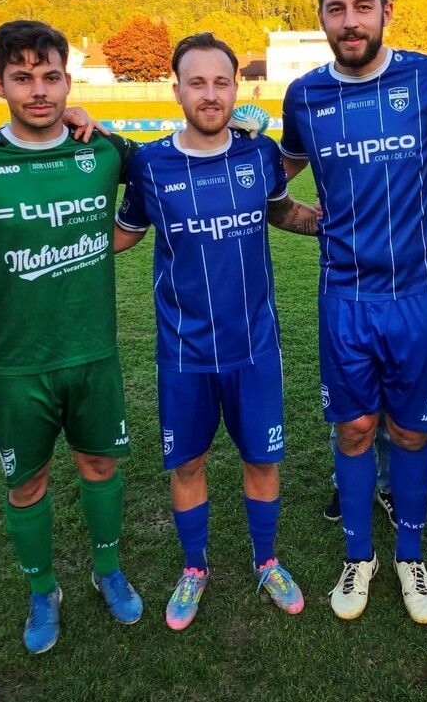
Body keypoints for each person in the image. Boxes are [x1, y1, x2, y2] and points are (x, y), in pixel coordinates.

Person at [0, 20, 144, 654]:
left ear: (67, 82)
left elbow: (164, 173)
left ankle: (107, 570)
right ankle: (43, 588)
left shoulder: (103, 152)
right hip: (14, 364)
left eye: (50, 76)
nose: (38, 90)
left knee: (99, 463)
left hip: (93, 352)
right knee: (25, 484)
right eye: (23, 77)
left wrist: (105, 135)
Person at [114, 33, 319, 630]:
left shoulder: (260, 155)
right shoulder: (149, 165)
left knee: (263, 460)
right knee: (188, 464)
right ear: (176, 88)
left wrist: (341, 226)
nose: (210, 94)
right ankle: (195, 567)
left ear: (238, 88)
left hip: (255, 347)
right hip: (183, 352)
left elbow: (280, 209)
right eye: (197, 82)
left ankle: (267, 559)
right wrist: (68, 245)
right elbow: (125, 232)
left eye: (221, 82)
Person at [280, 0, 427, 624]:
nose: (349, 21)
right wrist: (306, 221)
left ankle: (410, 554)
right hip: (345, 299)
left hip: (416, 295)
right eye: (335, 8)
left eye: (361, 6)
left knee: (410, 433)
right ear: (321, 16)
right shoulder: (305, 96)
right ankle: (360, 555)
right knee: (354, 429)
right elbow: (275, 183)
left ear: (387, 9)